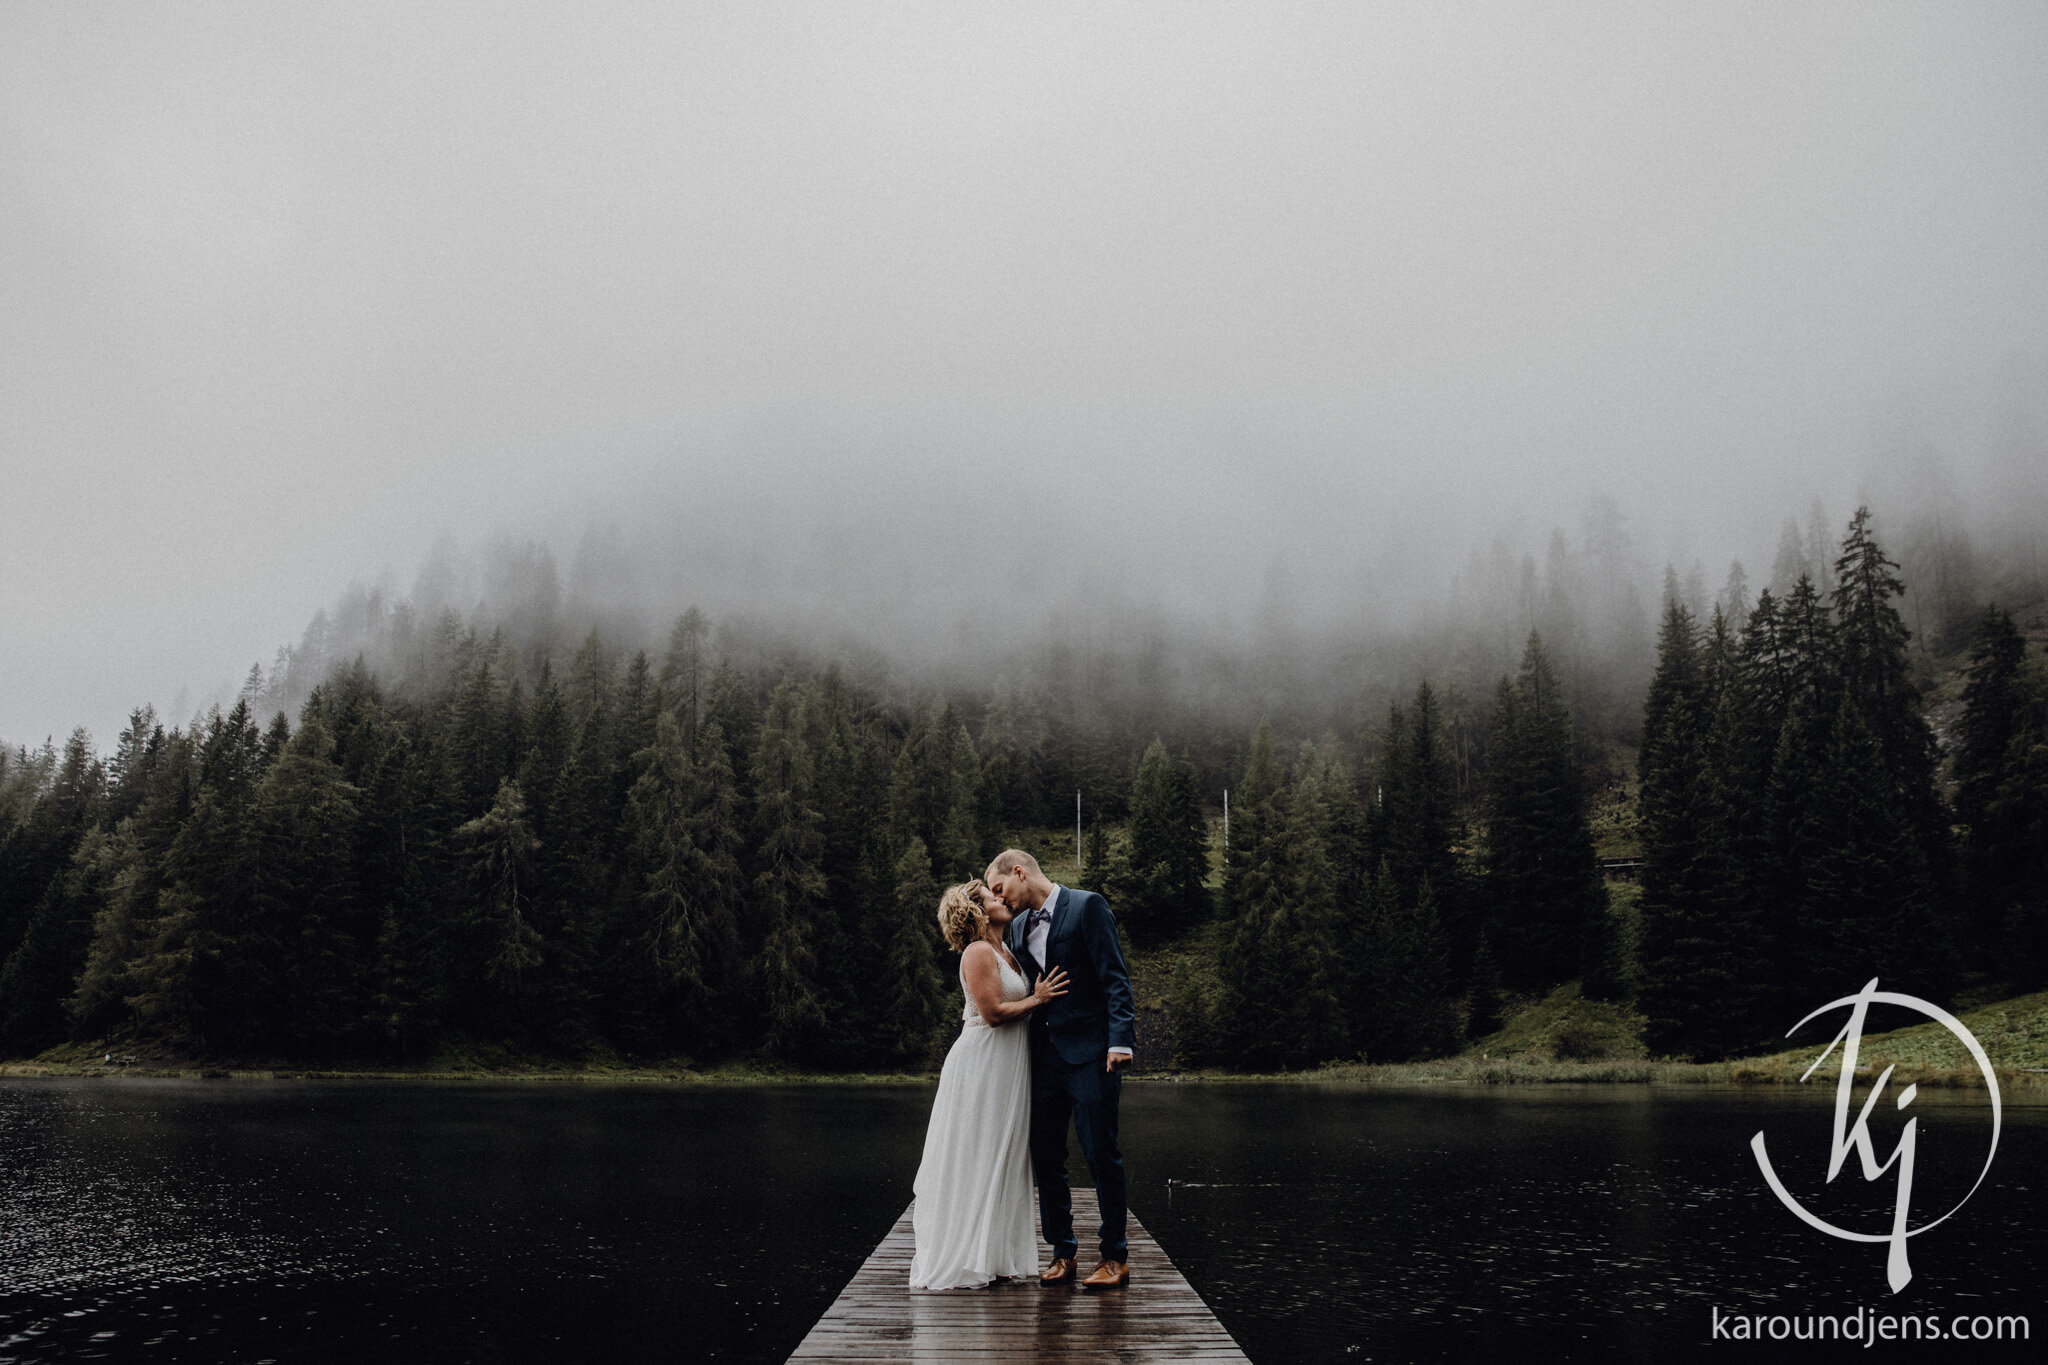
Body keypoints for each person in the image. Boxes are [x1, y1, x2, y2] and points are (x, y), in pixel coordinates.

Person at [987, 848, 1137, 1290]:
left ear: (1019, 872)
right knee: (1046, 1156)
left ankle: (1115, 1257)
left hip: (1092, 1054)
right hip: (1042, 1058)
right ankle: (1063, 1252)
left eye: (1000, 888)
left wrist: (1120, 1040)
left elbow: (1115, 977)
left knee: (1099, 1152)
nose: (1000, 898)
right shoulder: (1015, 926)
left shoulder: (1087, 906)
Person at [908, 879, 1069, 1291]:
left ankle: (995, 1254)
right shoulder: (978, 952)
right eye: (991, 897)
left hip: (1008, 1063)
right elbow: (994, 1013)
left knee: (1005, 1151)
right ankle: (967, 1255)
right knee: (979, 1151)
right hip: (982, 1063)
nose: (1001, 898)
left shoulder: (1005, 950)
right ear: (976, 912)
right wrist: (1039, 998)